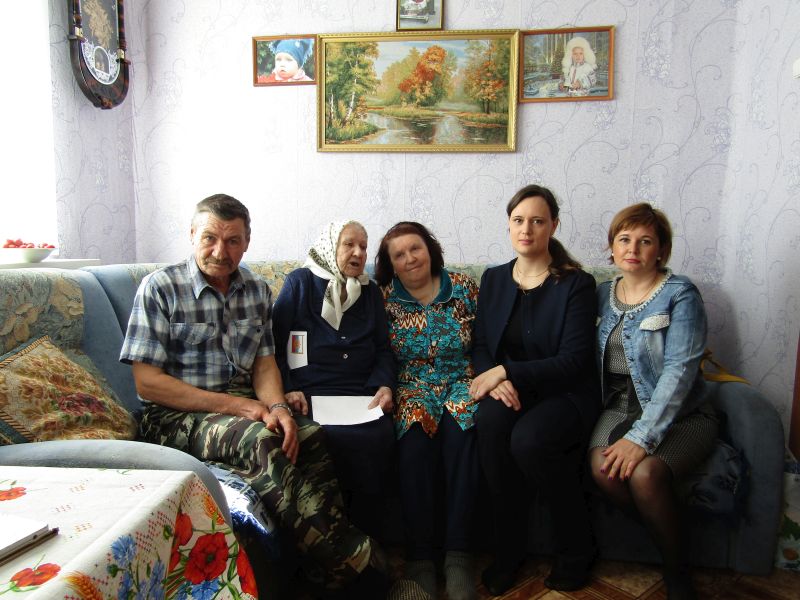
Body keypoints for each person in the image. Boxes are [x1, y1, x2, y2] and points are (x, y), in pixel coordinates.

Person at [119, 194, 386, 596]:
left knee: (308, 434)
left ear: (246, 242)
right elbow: (147, 383)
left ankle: (321, 576)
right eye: (209, 238)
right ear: (191, 235)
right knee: (260, 438)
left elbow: (264, 365)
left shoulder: (256, 290)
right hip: (173, 416)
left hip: (244, 406)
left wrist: (277, 406)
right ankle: (353, 559)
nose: (220, 251)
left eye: (232, 241)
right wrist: (244, 407)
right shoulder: (160, 288)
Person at [470, 184, 600, 595]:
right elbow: (480, 344)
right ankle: (508, 551)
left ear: (553, 226)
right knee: (490, 423)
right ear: (509, 226)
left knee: (529, 440)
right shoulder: (493, 279)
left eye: (537, 221)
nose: (526, 229)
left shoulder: (576, 284)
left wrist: (505, 372)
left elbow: (573, 361)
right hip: (511, 390)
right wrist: (493, 379)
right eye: (518, 220)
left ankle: (576, 549)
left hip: (565, 393)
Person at [589, 203, 718, 600]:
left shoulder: (681, 295)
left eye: (645, 241)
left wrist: (641, 438)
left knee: (645, 476)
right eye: (624, 239)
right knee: (604, 470)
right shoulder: (601, 294)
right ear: (612, 247)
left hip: (682, 412)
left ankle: (677, 571)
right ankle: (674, 530)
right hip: (619, 405)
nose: (633, 249)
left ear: (661, 250)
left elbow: (679, 373)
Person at [375, 222, 480, 600]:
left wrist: (489, 377)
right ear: (390, 264)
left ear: (430, 249)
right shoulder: (382, 298)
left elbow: (485, 340)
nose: (410, 259)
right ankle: (420, 558)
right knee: (414, 443)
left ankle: (458, 556)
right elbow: (378, 351)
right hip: (411, 384)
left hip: (462, 380)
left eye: (415, 248)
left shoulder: (463, 287)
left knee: (462, 436)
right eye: (399, 254)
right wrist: (385, 386)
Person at [272, 220, 396, 541]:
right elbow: (274, 346)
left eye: (364, 246)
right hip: (308, 394)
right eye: (349, 244)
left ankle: (370, 539)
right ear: (330, 247)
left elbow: (384, 349)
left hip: (360, 394)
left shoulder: (369, 292)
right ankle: (326, 540)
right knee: (319, 438)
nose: (358, 253)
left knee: (379, 435)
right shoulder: (300, 283)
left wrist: (384, 386)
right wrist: (288, 388)